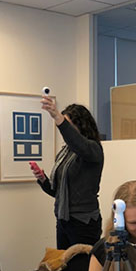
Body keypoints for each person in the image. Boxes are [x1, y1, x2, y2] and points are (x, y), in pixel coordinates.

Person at [31, 97, 104, 249]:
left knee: (82, 270)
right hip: (64, 220)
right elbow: (57, 192)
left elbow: (78, 143)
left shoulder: (93, 150)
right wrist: (43, 179)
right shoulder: (66, 152)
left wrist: (58, 117)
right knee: (64, 268)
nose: (66, 131)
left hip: (84, 223)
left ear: (81, 126)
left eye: (69, 125)